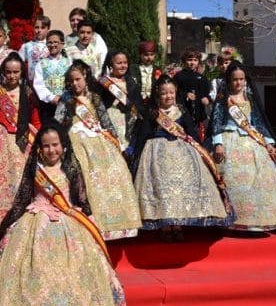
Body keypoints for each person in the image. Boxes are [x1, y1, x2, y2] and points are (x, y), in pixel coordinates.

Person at [0, 123, 129, 306]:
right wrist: (8, 227)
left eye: (55, 145)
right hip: (35, 224)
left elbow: (81, 198)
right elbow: (22, 198)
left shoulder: (72, 167)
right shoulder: (34, 168)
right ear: (39, 148)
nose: (51, 150)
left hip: (70, 225)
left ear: (63, 146)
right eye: (46, 146)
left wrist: (89, 223)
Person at [135, 75, 233, 242]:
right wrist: (135, 152)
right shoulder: (152, 112)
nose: (168, 96)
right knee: (162, 188)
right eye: (164, 93)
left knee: (180, 188)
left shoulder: (181, 110)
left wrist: (201, 149)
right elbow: (144, 133)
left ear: (176, 93)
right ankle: (165, 226)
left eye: (171, 93)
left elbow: (192, 132)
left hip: (182, 151)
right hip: (157, 153)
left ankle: (178, 225)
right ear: (158, 94)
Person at [55, 60, 141, 240]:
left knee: (115, 171)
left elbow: (105, 120)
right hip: (76, 138)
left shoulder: (94, 97)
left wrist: (115, 141)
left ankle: (114, 224)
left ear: (85, 78)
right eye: (71, 81)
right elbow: (58, 121)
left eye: (78, 79)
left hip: (98, 139)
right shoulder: (66, 98)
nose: (75, 84)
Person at [211, 61, 276, 232]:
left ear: (245, 80)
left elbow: (257, 122)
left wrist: (268, 142)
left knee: (258, 179)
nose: (238, 83)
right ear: (229, 81)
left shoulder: (249, 98)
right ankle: (232, 219)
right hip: (230, 140)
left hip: (251, 142)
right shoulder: (223, 99)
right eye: (235, 79)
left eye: (241, 79)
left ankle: (255, 220)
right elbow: (216, 121)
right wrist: (218, 143)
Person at [0, 52, 40, 235]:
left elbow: (36, 120)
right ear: (3, 72)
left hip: (22, 141)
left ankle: (20, 225)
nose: (12, 76)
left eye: (16, 72)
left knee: (20, 180)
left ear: (22, 73)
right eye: (9, 72)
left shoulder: (29, 93)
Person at [98, 49, 146, 169]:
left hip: (128, 122)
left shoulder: (131, 82)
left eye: (125, 62)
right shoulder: (103, 82)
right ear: (110, 64)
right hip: (110, 120)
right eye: (119, 63)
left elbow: (138, 104)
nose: (123, 65)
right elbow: (98, 104)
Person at [33, 30, 71, 121]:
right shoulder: (41, 64)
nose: (52, 45)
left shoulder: (69, 63)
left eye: (55, 42)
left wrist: (65, 98)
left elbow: (72, 82)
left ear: (62, 44)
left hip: (66, 103)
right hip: (48, 106)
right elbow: (39, 85)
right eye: (49, 42)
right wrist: (52, 98)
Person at [175, 48, 211, 144]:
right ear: (184, 61)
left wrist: (207, 99)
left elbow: (207, 93)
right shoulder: (179, 76)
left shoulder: (202, 78)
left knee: (198, 141)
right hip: (183, 114)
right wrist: (185, 94)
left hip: (199, 116)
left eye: (195, 60)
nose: (192, 63)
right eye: (189, 60)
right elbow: (174, 93)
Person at [17, 14, 50, 80]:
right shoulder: (27, 46)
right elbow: (18, 63)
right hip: (32, 82)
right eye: (36, 27)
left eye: (43, 27)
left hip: (49, 82)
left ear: (48, 29)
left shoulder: (51, 45)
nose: (39, 30)